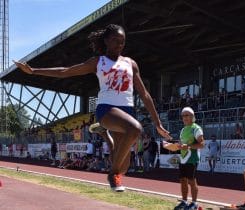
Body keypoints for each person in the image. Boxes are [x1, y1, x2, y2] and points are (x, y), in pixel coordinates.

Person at [15, 24, 171, 191]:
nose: (119, 44)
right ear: (106, 41)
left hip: (127, 110)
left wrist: (157, 122)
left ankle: (105, 135)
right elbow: (66, 71)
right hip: (107, 109)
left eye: (122, 42)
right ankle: (112, 174)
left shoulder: (131, 64)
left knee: (123, 167)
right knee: (135, 129)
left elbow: (145, 94)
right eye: (115, 40)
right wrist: (33, 71)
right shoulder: (98, 62)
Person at [173, 107, 205, 210]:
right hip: (183, 158)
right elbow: (183, 144)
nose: (185, 117)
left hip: (192, 159)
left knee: (192, 181)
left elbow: (202, 144)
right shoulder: (183, 130)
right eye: (183, 116)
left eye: (187, 115)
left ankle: (194, 203)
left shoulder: (196, 128)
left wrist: (189, 146)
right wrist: (176, 146)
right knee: (183, 180)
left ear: (192, 116)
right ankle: (184, 201)